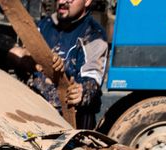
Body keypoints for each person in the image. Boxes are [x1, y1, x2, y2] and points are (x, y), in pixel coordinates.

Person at [31, 0, 109, 129]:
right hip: (34, 116)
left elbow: (92, 77)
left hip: (69, 125)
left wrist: (82, 92)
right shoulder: (43, 25)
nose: (61, 1)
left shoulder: (94, 35)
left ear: (87, 1)